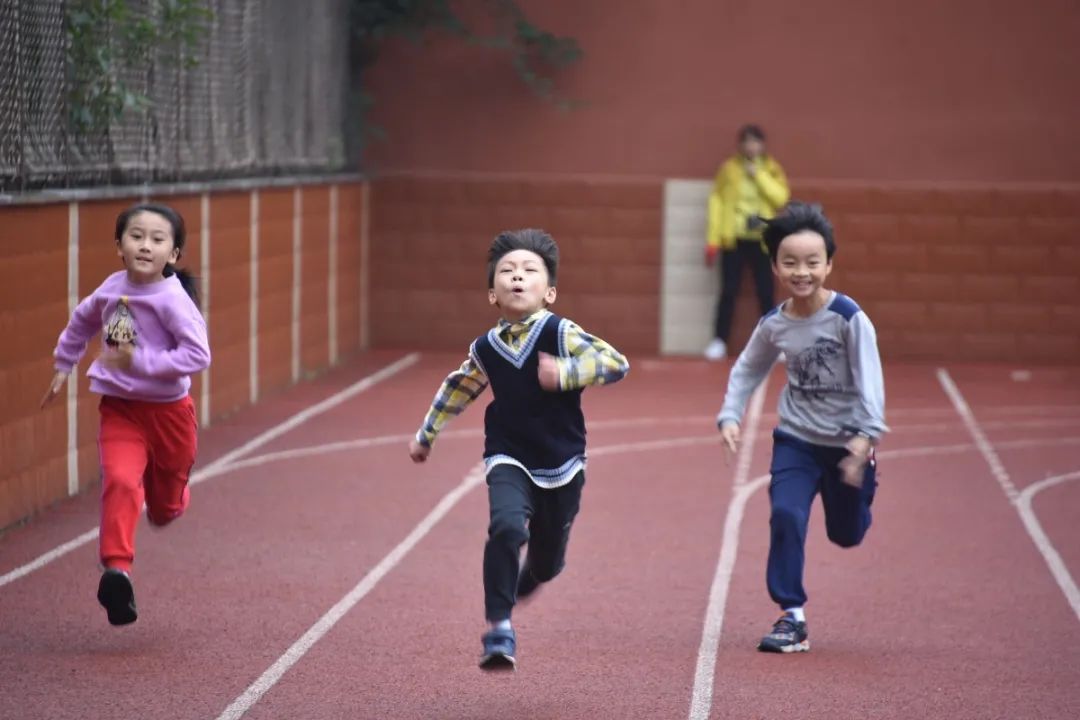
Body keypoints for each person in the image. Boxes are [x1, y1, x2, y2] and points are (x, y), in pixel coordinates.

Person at [408, 228, 629, 671]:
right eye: (507, 271)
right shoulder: (485, 348)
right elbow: (460, 387)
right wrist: (427, 433)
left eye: (529, 270)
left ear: (548, 291)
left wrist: (567, 372)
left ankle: (536, 571)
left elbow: (614, 363)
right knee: (507, 528)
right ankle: (499, 627)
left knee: (546, 564)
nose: (517, 277)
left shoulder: (560, 331)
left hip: (563, 462)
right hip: (508, 455)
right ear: (492, 294)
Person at [715, 202, 887, 653]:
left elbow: (871, 380)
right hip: (796, 439)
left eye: (813, 262)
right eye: (790, 262)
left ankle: (865, 481)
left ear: (829, 263)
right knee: (786, 514)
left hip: (848, 442)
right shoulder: (775, 325)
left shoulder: (848, 318)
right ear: (774, 266)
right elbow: (748, 369)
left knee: (846, 535)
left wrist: (865, 437)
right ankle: (791, 615)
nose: (802, 271)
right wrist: (730, 414)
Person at [41, 203, 211, 626]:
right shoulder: (110, 290)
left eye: (157, 239)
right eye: (136, 236)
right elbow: (82, 322)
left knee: (163, 508)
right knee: (119, 480)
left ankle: (172, 500)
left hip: (170, 415)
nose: (145, 245)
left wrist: (141, 362)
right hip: (120, 411)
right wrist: (65, 363)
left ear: (173, 254)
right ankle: (117, 570)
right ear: (119, 245)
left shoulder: (172, 301)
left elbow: (197, 354)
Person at [705, 124, 791, 360]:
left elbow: (781, 197)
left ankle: (774, 344)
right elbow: (717, 203)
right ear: (740, 145)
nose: (751, 146)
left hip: (762, 240)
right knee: (728, 291)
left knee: (766, 292)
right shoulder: (729, 169)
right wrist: (713, 239)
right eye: (747, 142)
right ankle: (719, 341)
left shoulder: (771, 168)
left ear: (762, 145)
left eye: (755, 142)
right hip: (734, 239)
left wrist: (759, 176)